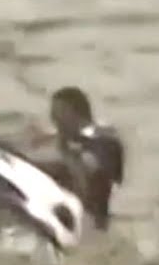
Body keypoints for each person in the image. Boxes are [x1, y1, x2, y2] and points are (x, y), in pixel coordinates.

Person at [49, 86, 125, 231]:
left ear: (75, 113)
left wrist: (64, 149)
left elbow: (90, 170)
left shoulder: (105, 141)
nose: (53, 119)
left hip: (95, 221)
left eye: (58, 113)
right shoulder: (70, 141)